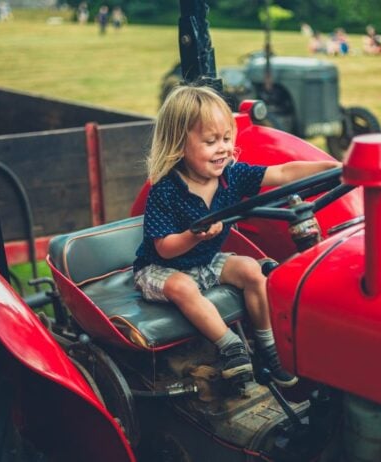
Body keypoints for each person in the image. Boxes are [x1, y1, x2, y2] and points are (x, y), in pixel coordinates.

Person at [133, 85, 340, 387]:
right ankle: (231, 347)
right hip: (161, 269)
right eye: (210, 141)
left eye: (227, 139)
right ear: (179, 145)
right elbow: (164, 249)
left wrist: (335, 168)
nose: (223, 148)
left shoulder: (232, 175)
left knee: (253, 271)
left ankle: (268, 347)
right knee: (183, 287)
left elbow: (283, 174)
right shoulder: (165, 190)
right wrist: (195, 236)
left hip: (205, 262)